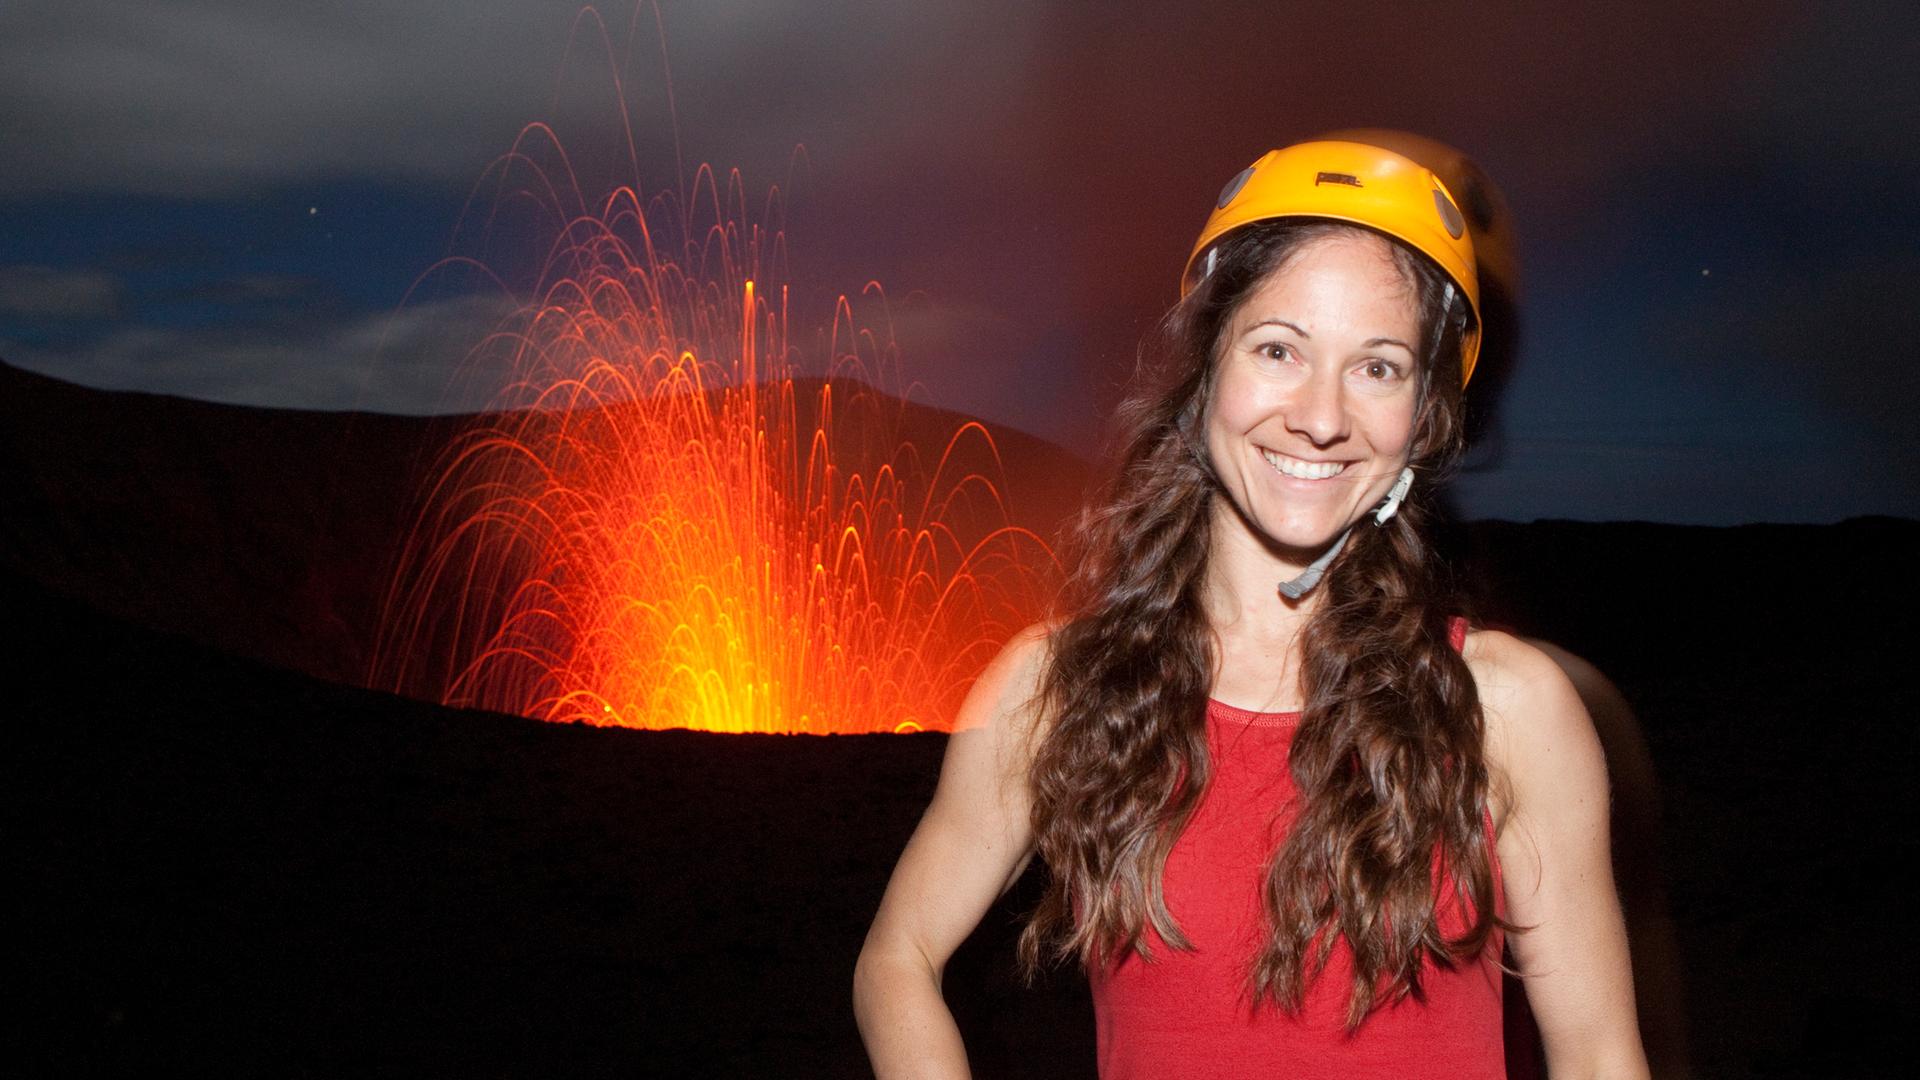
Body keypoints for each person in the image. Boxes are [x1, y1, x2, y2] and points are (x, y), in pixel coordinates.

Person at [854, 140, 1649, 1078]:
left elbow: (1599, 1055)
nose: (1321, 416)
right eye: (1279, 350)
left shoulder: (1505, 708)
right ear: (1206, 376)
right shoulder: (1054, 688)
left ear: (1423, 420)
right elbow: (896, 958)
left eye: (1380, 368)